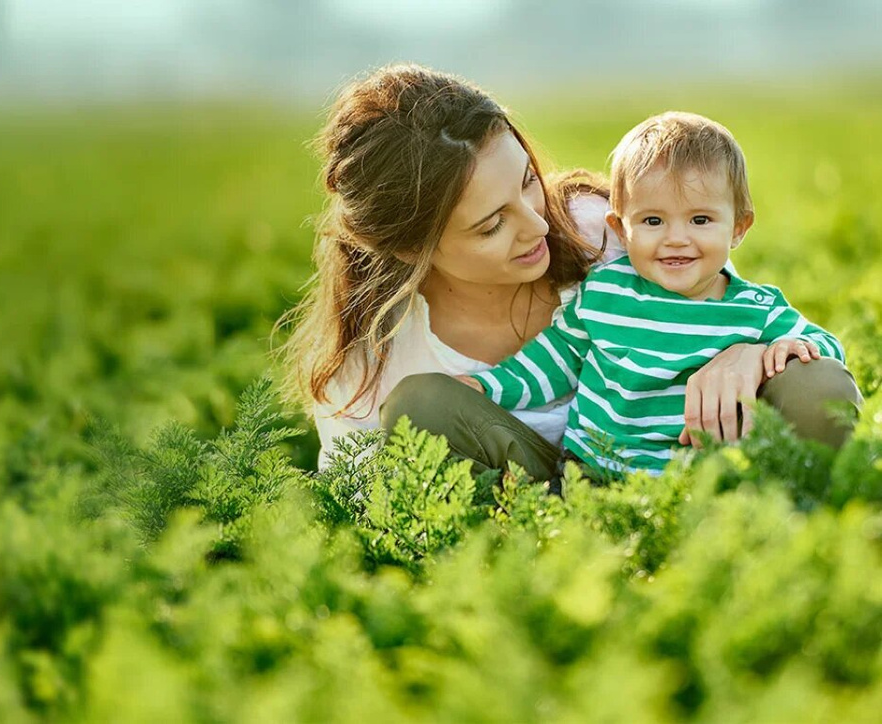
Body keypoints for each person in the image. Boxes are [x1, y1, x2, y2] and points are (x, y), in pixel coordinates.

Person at [279, 64, 861, 482]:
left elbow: (727, 303)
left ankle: (778, 533)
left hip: (700, 466)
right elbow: (360, 500)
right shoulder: (367, 364)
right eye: (491, 225)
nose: (537, 225)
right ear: (412, 249)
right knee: (419, 405)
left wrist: (750, 355)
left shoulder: (615, 230)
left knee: (818, 386)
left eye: (527, 179)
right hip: (561, 498)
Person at [457, 111, 850, 476]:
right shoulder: (605, 292)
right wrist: (489, 386)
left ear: (738, 227)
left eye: (700, 219)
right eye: (653, 221)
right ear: (621, 228)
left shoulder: (754, 310)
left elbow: (826, 351)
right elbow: (554, 360)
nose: (675, 239)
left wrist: (778, 350)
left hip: (695, 482)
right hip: (588, 474)